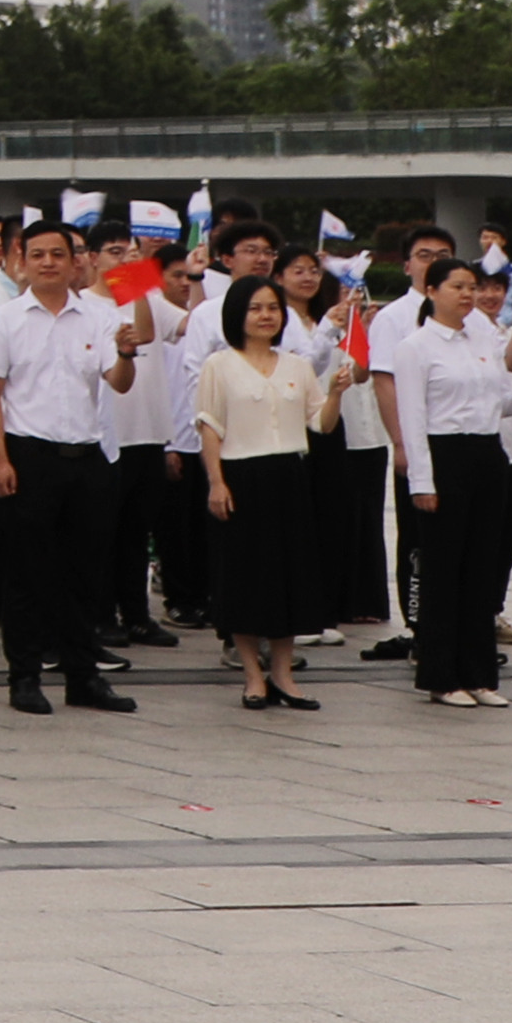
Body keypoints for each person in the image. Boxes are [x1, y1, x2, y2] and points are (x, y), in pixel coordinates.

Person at [0, 221, 137, 714]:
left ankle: (83, 676)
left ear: (74, 260)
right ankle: (24, 676)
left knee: (85, 575)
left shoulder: (98, 318)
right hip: (27, 457)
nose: (48, 263)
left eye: (57, 254)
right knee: (24, 575)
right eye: (37, 254)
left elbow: (119, 382)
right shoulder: (6, 319)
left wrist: (126, 352)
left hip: (86, 458)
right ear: (22, 259)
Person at [388, 253, 512, 705]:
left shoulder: (484, 339)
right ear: (432, 292)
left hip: (488, 454)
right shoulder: (415, 347)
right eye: (457, 286)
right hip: (444, 456)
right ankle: (442, 675)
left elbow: (496, 403)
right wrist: (422, 481)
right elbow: (413, 418)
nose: (468, 295)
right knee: (443, 571)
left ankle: (480, 675)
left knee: (482, 569)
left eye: (472, 286)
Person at [191, 275, 336, 709]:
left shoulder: (297, 365)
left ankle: (284, 675)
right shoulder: (220, 364)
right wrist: (216, 482)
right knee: (244, 576)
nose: (265, 316)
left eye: (272, 308)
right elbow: (209, 427)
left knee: (290, 575)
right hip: (240, 476)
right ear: (238, 313)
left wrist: (339, 394)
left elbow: (320, 423)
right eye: (255, 308)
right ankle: (253, 675)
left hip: (289, 477)